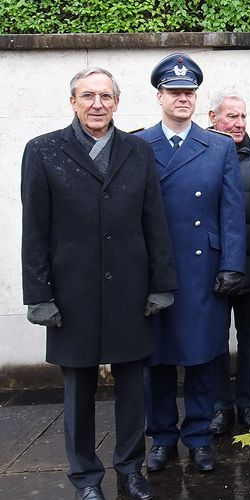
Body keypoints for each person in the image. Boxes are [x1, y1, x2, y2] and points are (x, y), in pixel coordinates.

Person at [21, 67, 177, 500]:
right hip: (72, 296)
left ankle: (130, 469)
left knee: (132, 388)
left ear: (117, 103)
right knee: (79, 391)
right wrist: (39, 296)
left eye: (106, 96)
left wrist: (161, 283)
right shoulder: (44, 151)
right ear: (73, 101)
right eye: (87, 96)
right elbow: (34, 229)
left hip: (130, 290)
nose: (97, 105)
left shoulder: (137, 151)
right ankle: (85, 479)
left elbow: (154, 222)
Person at [137, 53, 246, 473]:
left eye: (189, 92)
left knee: (202, 357)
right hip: (154, 270)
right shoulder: (138, 144)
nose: (182, 98)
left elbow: (231, 210)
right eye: (174, 92)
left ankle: (199, 436)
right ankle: (161, 437)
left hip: (203, 270)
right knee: (156, 360)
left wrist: (232, 263)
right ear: (159, 96)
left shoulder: (218, 146)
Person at [206, 90, 250, 435]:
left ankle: (247, 403)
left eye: (243, 116)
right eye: (231, 116)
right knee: (215, 339)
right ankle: (219, 406)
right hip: (212, 269)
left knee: (249, 337)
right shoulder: (201, 151)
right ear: (212, 117)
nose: (238, 123)